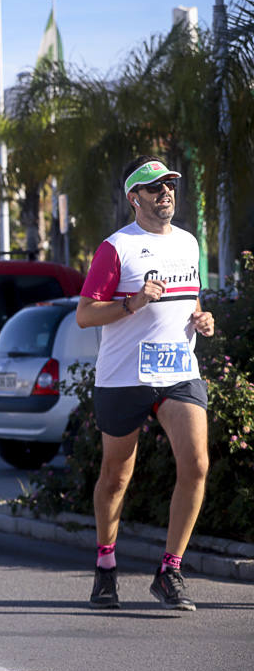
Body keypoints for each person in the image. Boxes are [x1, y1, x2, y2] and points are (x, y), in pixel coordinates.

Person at [76, 155, 214, 612]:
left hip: (178, 372)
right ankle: (106, 565)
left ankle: (169, 570)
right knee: (117, 475)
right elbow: (85, 315)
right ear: (135, 198)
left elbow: (191, 298)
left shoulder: (189, 243)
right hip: (124, 377)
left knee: (196, 464)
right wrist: (133, 303)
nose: (166, 193)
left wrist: (201, 318)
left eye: (170, 185)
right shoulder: (117, 248)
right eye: (155, 188)